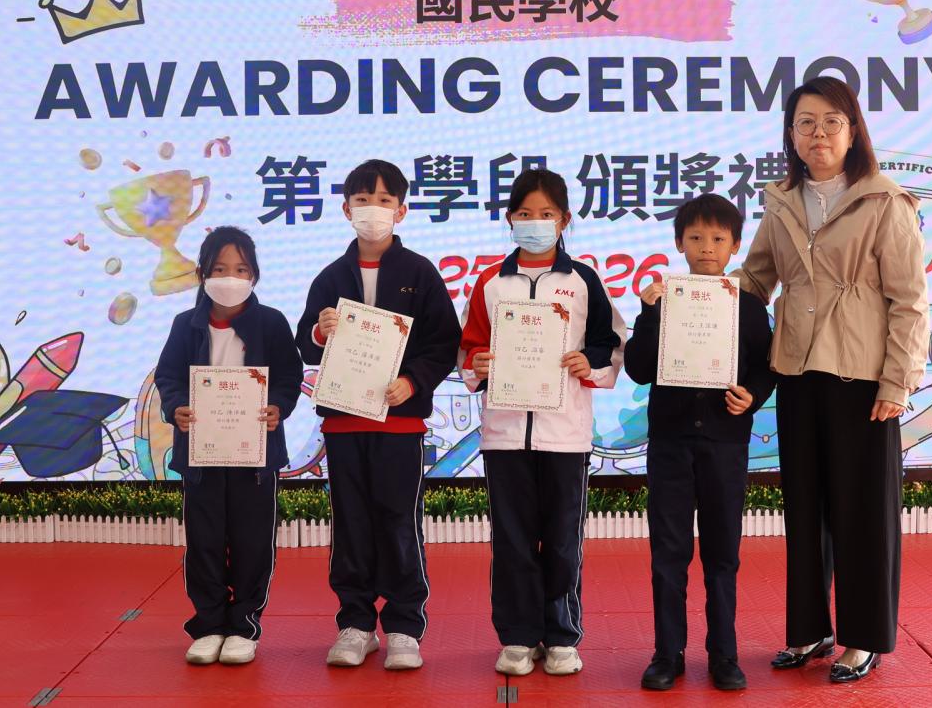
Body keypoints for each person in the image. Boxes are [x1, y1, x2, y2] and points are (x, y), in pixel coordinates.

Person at [735, 76, 929, 683]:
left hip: (862, 377)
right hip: (797, 371)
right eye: (805, 123)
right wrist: (688, 295)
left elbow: (910, 301)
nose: (817, 133)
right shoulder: (782, 201)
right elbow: (755, 279)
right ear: (790, 135)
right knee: (805, 507)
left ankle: (862, 638)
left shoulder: (884, 201)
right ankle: (809, 630)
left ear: (852, 132)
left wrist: (897, 382)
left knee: (863, 511)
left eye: (831, 122)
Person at [457, 168, 625, 677]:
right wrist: (477, 364)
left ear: (564, 220)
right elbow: (469, 347)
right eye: (525, 214)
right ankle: (516, 636)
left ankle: (561, 636)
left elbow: (610, 343)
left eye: (546, 214)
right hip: (505, 435)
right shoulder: (490, 282)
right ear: (510, 219)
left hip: (565, 436)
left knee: (562, 540)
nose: (535, 223)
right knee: (511, 540)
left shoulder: (583, 281)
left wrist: (588, 363)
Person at [296, 159, 461, 672]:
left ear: (401, 210)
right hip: (344, 423)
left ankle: (405, 627)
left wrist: (412, 381)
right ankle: (356, 624)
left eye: (385, 201)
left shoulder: (420, 273)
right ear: (346, 210)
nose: (374, 210)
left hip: (400, 423)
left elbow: (443, 342)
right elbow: (305, 342)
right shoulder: (330, 276)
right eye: (363, 200)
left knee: (398, 522)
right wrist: (320, 332)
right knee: (351, 523)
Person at [625, 193, 775, 692]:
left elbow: (766, 366)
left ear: (734, 246)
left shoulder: (748, 307)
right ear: (679, 243)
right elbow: (638, 368)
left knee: (722, 554)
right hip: (670, 443)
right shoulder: (662, 301)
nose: (706, 247)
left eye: (717, 238)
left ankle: (724, 655)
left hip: (725, 443)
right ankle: (666, 654)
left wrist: (751, 395)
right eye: (695, 238)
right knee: (668, 552)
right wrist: (648, 313)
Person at [155, 225, 302, 666]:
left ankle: (243, 626)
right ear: (202, 273)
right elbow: (168, 377)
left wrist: (278, 406)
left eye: (240, 269)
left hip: (254, 456)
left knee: (252, 542)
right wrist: (176, 407)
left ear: (254, 274)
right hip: (201, 454)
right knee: (204, 541)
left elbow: (290, 376)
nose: (230, 278)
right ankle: (209, 625)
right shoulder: (185, 325)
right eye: (219, 269)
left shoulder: (271, 323)